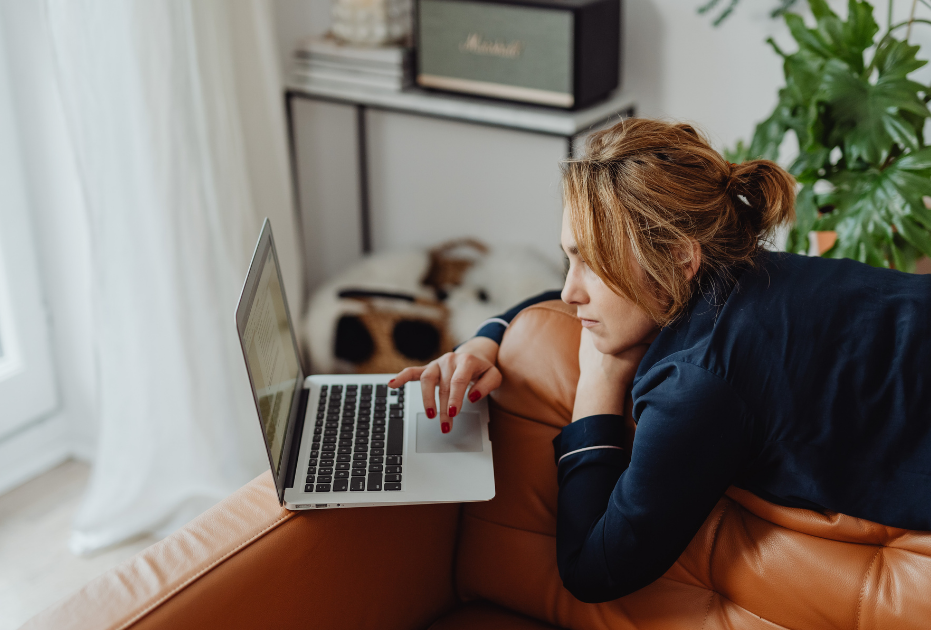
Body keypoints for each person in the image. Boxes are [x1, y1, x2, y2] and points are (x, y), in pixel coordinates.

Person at [388, 118, 931, 603]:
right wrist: (484, 339)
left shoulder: (700, 381)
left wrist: (598, 384)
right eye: (570, 257)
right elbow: (564, 296)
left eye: (593, 264)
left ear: (678, 256)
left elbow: (592, 572)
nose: (569, 292)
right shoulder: (735, 268)